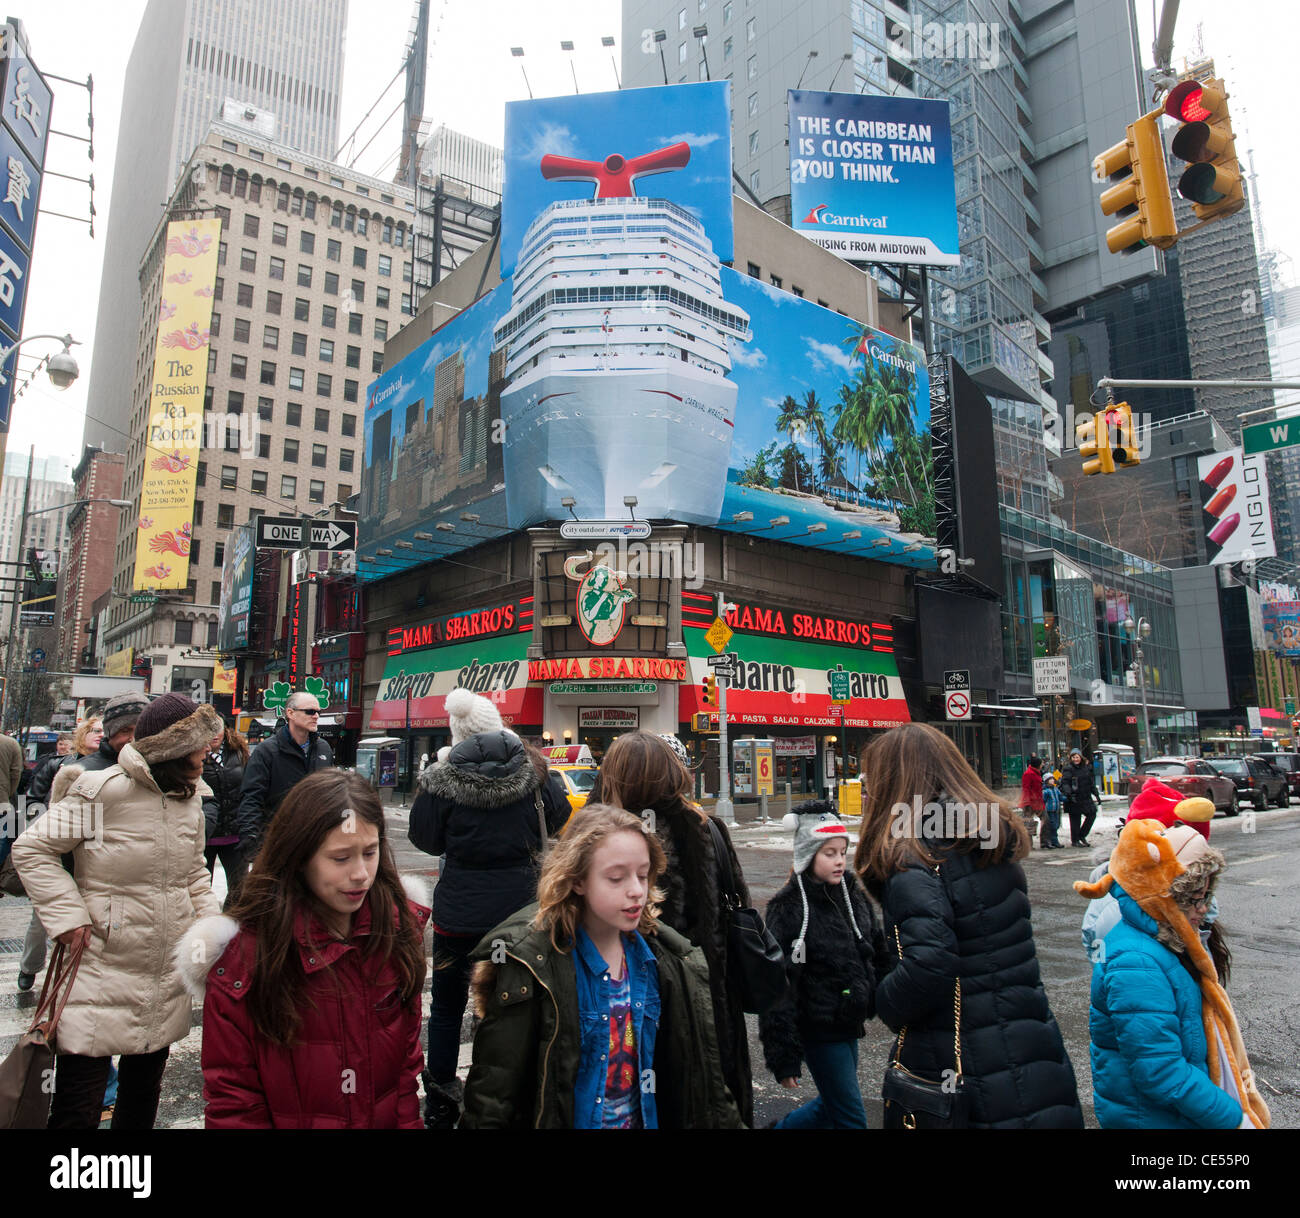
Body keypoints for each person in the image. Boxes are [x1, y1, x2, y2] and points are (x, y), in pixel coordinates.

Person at [855, 722, 1083, 1128]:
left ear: (895, 784)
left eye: (872, 781)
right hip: (1031, 1043)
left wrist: (882, 1000)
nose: (867, 791)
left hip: (962, 1062)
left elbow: (929, 964)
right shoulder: (986, 838)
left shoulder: (915, 856)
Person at [11, 693, 223, 1130]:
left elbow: (194, 874)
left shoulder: (191, 799)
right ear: (173, 747)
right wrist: (69, 918)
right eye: (200, 743)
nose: (208, 750)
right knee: (78, 1104)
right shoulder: (102, 792)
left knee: (143, 1097)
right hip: (100, 964)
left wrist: (214, 934)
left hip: (164, 970)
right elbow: (33, 849)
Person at [460, 803, 743, 1129]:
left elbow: (704, 1085)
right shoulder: (532, 965)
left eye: (642, 875)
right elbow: (494, 1094)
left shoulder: (670, 961)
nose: (636, 891)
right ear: (578, 880)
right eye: (616, 878)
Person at [178, 770, 431, 1128]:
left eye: (370, 852)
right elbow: (235, 1104)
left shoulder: (398, 932)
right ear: (299, 856)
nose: (360, 873)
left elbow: (406, 1073)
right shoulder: (243, 963)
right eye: (340, 858)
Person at [407, 688, 568, 1129]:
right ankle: (513, 1092)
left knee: (446, 1007)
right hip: (521, 915)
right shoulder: (535, 769)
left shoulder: (442, 777)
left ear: (459, 732)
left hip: (459, 916)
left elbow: (424, 838)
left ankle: (441, 1096)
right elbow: (556, 817)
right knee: (517, 1004)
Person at [587, 730, 756, 1125]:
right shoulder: (705, 829)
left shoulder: (593, 836)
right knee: (703, 1099)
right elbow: (734, 907)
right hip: (704, 1000)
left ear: (611, 775)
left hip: (615, 1005)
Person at [1074, 819, 1269, 1129]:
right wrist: (1233, 1118)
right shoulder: (1136, 962)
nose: (1204, 908)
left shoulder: (1166, 941)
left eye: (1207, 896)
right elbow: (1161, 1070)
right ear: (1165, 895)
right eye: (1195, 898)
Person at [759, 802, 888, 1129]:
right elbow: (777, 986)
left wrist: (894, 998)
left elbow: (877, 947)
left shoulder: (851, 894)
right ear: (808, 854)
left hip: (850, 1021)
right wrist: (783, 1054)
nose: (840, 860)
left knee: (833, 1105)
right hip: (818, 1029)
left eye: (842, 851)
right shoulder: (788, 908)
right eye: (829, 852)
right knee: (851, 1117)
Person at [235, 690, 334, 860]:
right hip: (278, 842)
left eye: (319, 712)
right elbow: (251, 798)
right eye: (310, 711)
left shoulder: (323, 748)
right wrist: (252, 842)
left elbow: (332, 793)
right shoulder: (266, 751)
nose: (316, 716)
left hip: (316, 840)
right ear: (291, 713)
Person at [202, 724, 249, 903]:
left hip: (235, 834)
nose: (214, 734)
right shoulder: (194, 755)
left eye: (218, 728)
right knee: (201, 889)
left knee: (240, 890)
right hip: (205, 835)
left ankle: (231, 926)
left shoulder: (238, 753)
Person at [62, 693, 150, 777]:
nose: (134, 738)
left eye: (141, 730)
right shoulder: (77, 773)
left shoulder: (159, 772)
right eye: (125, 730)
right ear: (109, 732)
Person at [1061, 748, 1101, 847]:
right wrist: (1069, 794)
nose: (1075, 759)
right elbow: (1065, 783)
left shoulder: (1085, 768)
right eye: (1073, 757)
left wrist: (1096, 794)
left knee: (1092, 814)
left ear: (1080, 757)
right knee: (1075, 820)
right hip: (1074, 798)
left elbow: (1091, 783)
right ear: (1071, 758)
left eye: (1077, 757)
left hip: (1085, 797)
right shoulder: (1068, 769)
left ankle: (1082, 835)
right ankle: (1075, 840)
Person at [1020, 753, 1044, 841]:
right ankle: (1028, 843)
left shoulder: (1036, 772)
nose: (1043, 765)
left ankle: (1045, 841)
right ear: (1038, 765)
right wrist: (1027, 801)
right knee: (1028, 823)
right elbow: (1026, 788)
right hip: (1030, 802)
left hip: (1037, 801)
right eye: (1042, 763)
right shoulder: (1029, 774)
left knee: (1046, 820)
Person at [1041, 773, 1064, 849]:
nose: (1052, 780)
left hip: (1056, 810)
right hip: (1049, 810)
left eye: (1053, 779)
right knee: (1052, 826)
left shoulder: (1055, 789)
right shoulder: (1045, 791)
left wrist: (1067, 798)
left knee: (1056, 825)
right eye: (1050, 779)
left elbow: (1060, 797)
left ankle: (1053, 841)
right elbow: (1043, 800)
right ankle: (1053, 841)